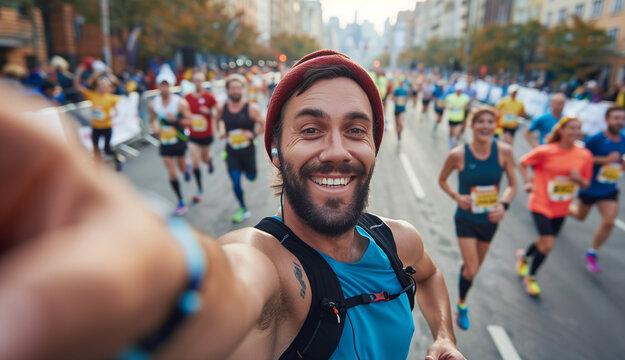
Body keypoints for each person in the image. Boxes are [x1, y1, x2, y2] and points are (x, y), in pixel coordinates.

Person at [0, 51, 465, 360]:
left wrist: (443, 334)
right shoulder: (267, 264)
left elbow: (430, 275)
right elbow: (232, 286)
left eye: (356, 130)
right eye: (310, 129)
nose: (337, 150)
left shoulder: (398, 239)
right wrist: (169, 276)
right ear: (276, 150)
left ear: (373, 147)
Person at [438, 107, 517, 330]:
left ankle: (467, 267)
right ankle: (462, 305)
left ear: (496, 125)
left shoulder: (504, 152)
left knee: (473, 268)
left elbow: (512, 185)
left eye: (490, 122)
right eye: (480, 121)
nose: (485, 126)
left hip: (491, 220)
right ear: (472, 125)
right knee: (471, 270)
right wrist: (456, 196)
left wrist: (504, 205)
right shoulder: (458, 155)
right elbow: (442, 180)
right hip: (466, 219)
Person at [516, 117, 593, 296]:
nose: (574, 132)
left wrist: (578, 179)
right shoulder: (546, 151)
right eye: (571, 128)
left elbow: (586, 185)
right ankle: (531, 277)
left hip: (561, 207)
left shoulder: (584, 155)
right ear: (561, 130)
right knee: (548, 243)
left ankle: (524, 256)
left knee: (544, 240)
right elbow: (522, 163)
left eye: (578, 129)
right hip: (540, 202)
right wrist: (528, 182)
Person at [568, 107, 625, 272]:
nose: (620, 122)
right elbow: (583, 160)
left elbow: (619, 158)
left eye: (623, 119)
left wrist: (623, 164)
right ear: (607, 119)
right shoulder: (594, 140)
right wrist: (605, 159)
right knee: (580, 216)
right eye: (616, 118)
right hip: (589, 187)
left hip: (609, 188)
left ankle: (592, 251)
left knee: (609, 222)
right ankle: (563, 207)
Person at [216, 73, 265, 223]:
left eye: (238, 88)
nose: (235, 91)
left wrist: (253, 133)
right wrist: (221, 130)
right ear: (228, 91)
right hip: (231, 151)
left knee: (251, 177)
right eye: (232, 88)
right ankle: (243, 208)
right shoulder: (222, 107)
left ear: (242, 90)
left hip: (248, 151)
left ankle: (248, 172)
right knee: (236, 182)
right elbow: (218, 121)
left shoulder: (251, 108)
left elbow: (263, 125)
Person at [148, 69, 193, 215]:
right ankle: (180, 201)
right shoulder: (153, 104)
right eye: (161, 85)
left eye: (166, 85)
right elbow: (153, 119)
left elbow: (190, 121)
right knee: (172, 172)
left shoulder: (180, 103)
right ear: (158, 86)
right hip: (165, 142)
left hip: (178, 138)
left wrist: (177, 120)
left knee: (181, 168)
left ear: (171, 86)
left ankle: (187, 168)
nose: (164, 88)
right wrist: (155, 127)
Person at [74, 62, 124, 171]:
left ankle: (117, 158)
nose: (102, 87)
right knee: (96, 150)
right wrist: (79, 72)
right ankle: (97, 171)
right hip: (96, 127)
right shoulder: (92, 95)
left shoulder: (112, 98)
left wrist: (114, 114)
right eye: (100, 85)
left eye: (104, 85)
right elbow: (78, 86)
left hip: (107, 127)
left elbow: (119, 90)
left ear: (108, 87)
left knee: (107, 149)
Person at [185, 71, 217, 203]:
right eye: (196, 80)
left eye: (200, 80)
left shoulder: (209, 97)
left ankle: (209, 161)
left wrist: (208, 112)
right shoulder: (187, 98)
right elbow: (182, 112)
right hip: (193, 135)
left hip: (206, 135)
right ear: (193, 82)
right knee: (196, 162)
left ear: (203, 82)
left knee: (204, 159)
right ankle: (199, 189)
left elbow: (216, 112)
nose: (198, 83)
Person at [444, 83, 471, 149]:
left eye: (460, 90)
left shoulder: (465, 97)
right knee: (451, 133)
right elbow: (445, 104)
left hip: (460, 118)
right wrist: (449, 107)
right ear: (455, 90)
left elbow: (467, 106)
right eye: (457, 90)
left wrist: (465, 109)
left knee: (457, 133)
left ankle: (453, 144)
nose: (458, 91)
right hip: (451, 118)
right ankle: (451, 142)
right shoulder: (450, 96)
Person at [392, 79, 409, 150]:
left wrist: (404, 100)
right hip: (396, 109)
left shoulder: (405, 90)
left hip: (402, 109)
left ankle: (399, 134)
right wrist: (396, 99)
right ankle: (398, 136)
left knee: (401, 124)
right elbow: (392, 98)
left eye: (403, 83)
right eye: (401, 82)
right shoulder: (396, 90)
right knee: (397, 125)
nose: (402, 84)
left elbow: (407, 98)